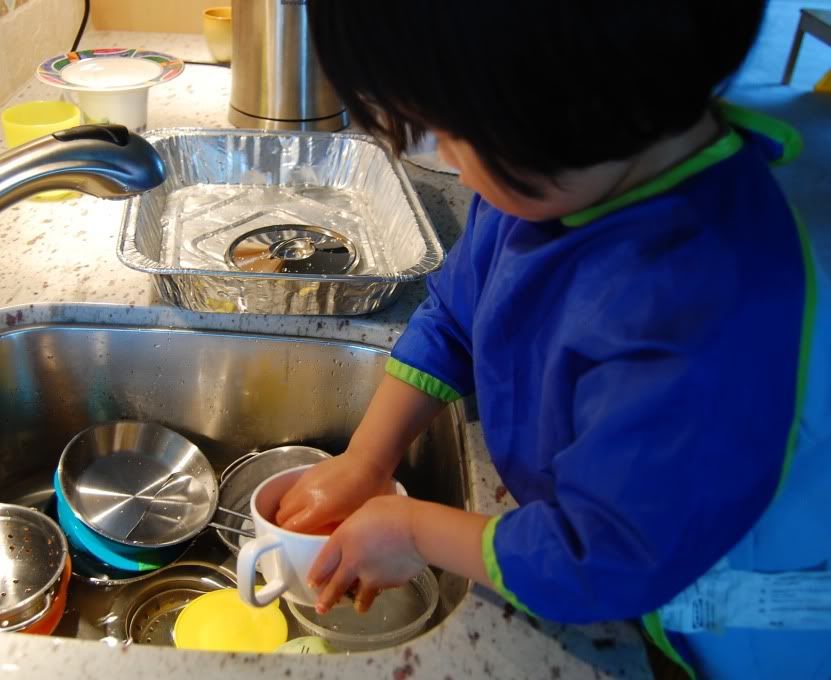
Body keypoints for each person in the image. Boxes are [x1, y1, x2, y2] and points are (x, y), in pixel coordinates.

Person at [274, 2, 831, 678]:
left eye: (451, 134)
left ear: (562, 112)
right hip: (614, 538)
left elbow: (601, 560)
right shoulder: (557, 168)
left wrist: (413, 530)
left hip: (721, 606)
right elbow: (457, 315)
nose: (447, 160)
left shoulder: (699, 303)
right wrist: (367, 459)